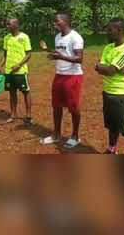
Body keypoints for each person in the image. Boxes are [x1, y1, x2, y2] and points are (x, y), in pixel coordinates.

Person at [94, 18, 124, 154]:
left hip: (123, 96)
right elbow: (101, 67)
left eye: (110, 30)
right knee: (112, 126)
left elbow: (108, 71)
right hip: (107, 93)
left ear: (119, 30)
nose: (107, 33)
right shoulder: (108, 47)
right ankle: (111, 149)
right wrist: (103, 67)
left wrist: (105, 68)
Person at [40, 13, 84, 149]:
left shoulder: (75, 37)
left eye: (57, 21)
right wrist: (52, 54)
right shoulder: (57, 37)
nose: (55, 23)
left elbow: (79, 58)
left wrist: (60, 56)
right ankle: (56, 134)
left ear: (65, 22)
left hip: (73, 76)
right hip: (59, 75)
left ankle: (75, 136)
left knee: (73, 107)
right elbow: (61, 54)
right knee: (56, 106)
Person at [0, 19, 33, 126]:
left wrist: (19, 65)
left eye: (9, 24)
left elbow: (29, 54)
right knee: (12, 93)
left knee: (25, 92)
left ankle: (28, 116)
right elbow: (5, 54)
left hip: (21, 71)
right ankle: (13, 115)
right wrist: (0, 66)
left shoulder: (24, 37)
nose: (7, 26)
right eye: (7, 24)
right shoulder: (6, 38)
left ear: (16, 25)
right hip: (8, 71)